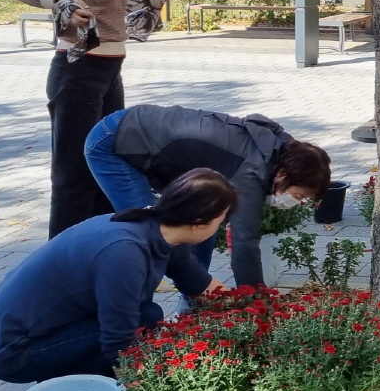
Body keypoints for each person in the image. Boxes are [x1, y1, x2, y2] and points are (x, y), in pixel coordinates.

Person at [0, 169, 236, 384]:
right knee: (146, 318)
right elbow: (118, 340)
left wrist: (254, 311)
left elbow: (200, 285)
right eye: (220, 221)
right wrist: (155, 385)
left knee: (147, 315)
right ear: (198, 224)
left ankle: (70, 380)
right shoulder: (124, 253)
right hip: (12, 352)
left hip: (39, 330)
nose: (221, 227)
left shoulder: (158, 227)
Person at [12, 0, 166, 237]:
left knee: (105, 164)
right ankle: (62, 258)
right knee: (74, 173)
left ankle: (98, 250)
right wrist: (60, 0)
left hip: (110, 70)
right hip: (79, 69)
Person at [84, 104, 331, 288]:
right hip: (115, 143)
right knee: (154, 235)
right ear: (284, 174)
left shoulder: (278, 149)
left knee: (201, 228)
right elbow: (245, 241)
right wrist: (255, 300)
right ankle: (130, 309)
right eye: (298, 195)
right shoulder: (253, 169)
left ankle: (191, 310)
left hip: (139, 131)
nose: (297, 203)